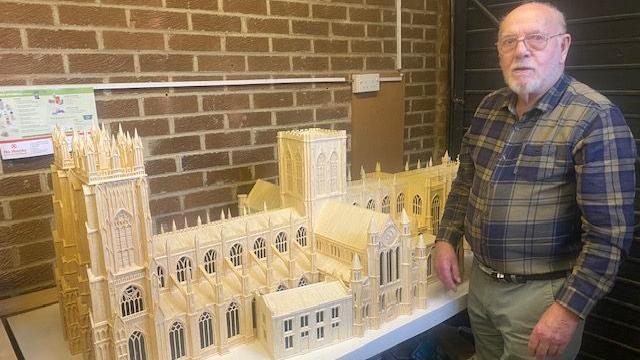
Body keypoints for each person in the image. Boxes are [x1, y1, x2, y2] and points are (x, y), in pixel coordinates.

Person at [434, 2, 636, 359]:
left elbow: (608, 238)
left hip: (543, 298)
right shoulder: (488, 108)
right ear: (499, 52)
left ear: (563, 47)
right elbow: (465, 181)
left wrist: (568, 310)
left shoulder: (595, 119)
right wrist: (447, 238)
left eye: (536, 39)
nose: (521, 50)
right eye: (509, 41)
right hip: (480, 285)